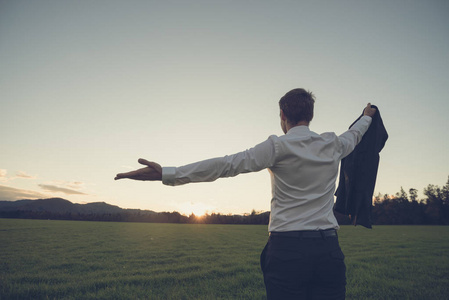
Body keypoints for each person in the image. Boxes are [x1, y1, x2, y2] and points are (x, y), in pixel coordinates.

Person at [115, 88, 376, 299]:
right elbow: (356, 134)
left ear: (282, 114)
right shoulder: (333, 144)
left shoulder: (277, 146)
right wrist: (366, 115)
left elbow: (225, 165)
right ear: (310, 116)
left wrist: (167, 173)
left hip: (287, 251)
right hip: (328, 250)